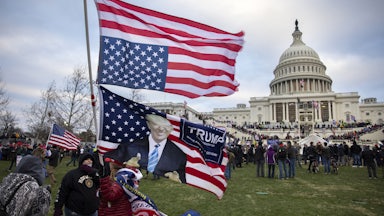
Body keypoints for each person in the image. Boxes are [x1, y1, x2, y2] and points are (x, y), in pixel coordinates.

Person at [105, 114, 187, 183]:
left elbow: (185, 182)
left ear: (172, 129)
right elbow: (107, 159)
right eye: (156, 124)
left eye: (166, 126)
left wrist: (177, 181)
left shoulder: (179, 156)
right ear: (149, 125)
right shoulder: (129, 147)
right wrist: (125, 167)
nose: (161, 129)